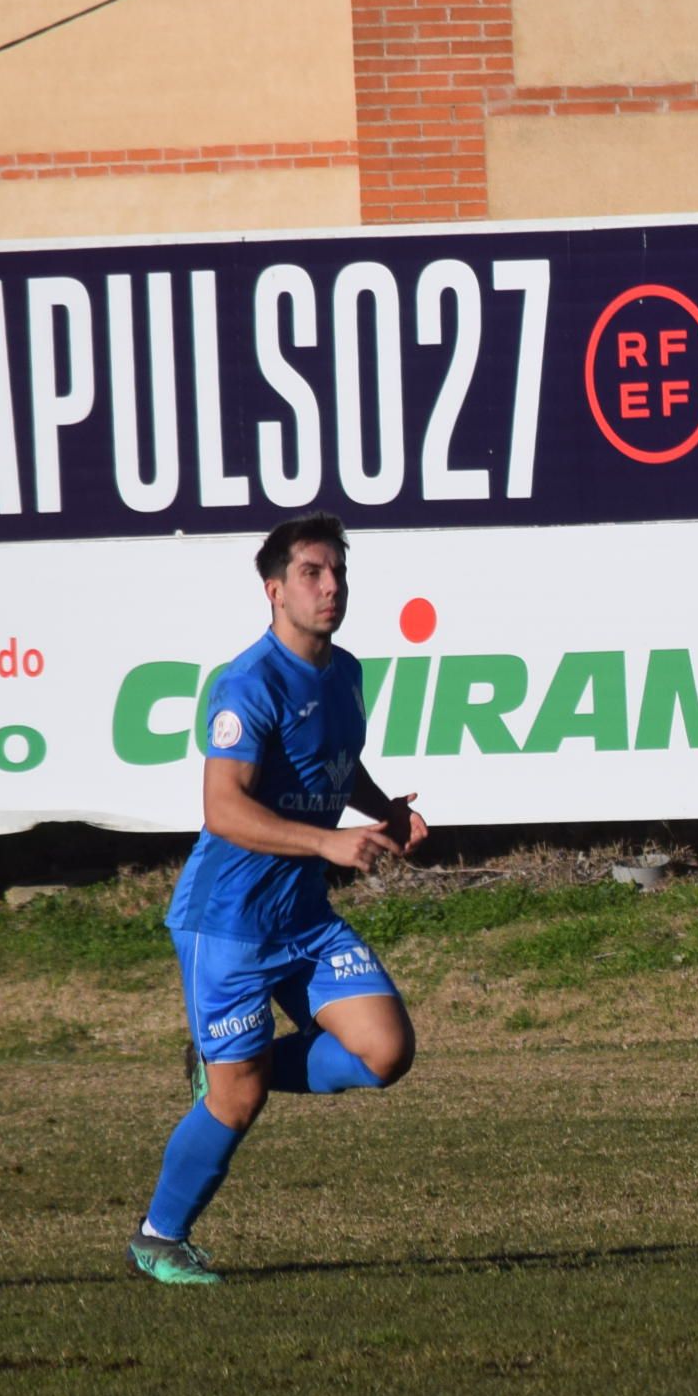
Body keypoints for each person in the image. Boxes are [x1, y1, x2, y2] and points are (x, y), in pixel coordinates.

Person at [129, 514, 427, 1283]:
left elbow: (336, 759)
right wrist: (328, 842)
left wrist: (382, 809)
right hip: (226, 926)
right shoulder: (248, 684)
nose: (331, 589)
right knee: (237, 1102)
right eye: (312, 575)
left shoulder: (347, 673)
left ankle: (235, 1063)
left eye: (338, 575)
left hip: (300, 916)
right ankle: (160, 1237)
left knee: (385, 1051)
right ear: (274, 590)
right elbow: (224, 810)